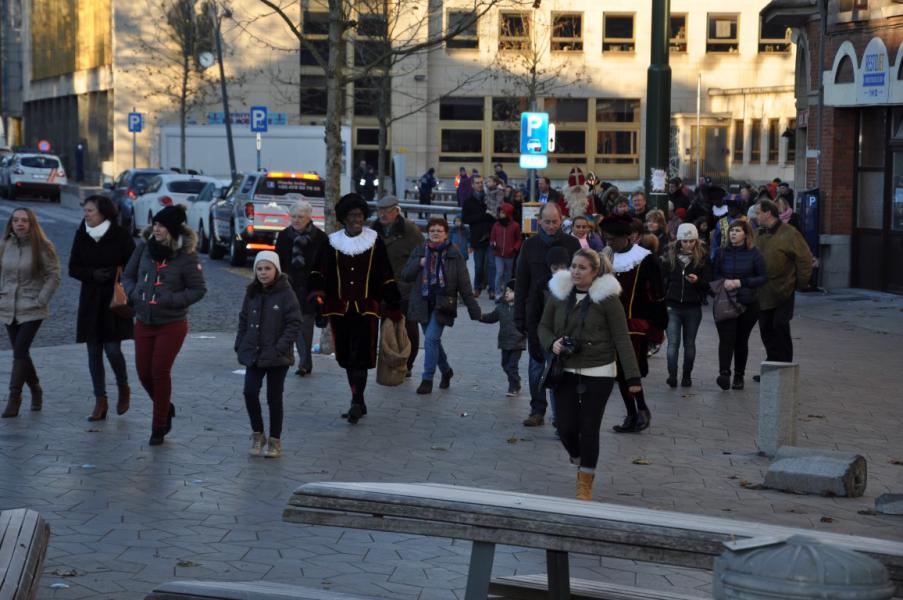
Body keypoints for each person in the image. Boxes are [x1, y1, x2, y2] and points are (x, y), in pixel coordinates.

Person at [539, 249, 641, 501]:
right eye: (573, 266)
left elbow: (621, 338)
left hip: (599, 371)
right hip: (565, 368)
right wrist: (552, 342)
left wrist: (633, 378)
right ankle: (577, 455)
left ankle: (585, 482)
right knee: (565, 427)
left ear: (595, 272)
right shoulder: (559, 293)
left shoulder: (607, 299)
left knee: (589, 427)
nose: (575, 271)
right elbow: (543, 326)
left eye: (582, 268)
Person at [309, 193, 401, 424]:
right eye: (351, 216)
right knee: (347, 358)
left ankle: (357, 402)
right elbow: (319, 274)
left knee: (361, 357)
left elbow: (385, 274)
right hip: (339, 310)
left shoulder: (374, 241)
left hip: (367, 309)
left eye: (359, 215)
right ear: (344, 218)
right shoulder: (331, 242)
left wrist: (394, 305)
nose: (356, 219)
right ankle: (358, 398)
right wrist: (318, 303)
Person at [122, 205, 207, 445]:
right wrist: (134, 293)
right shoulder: (143, 249)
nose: (156, 229)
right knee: (143, 373)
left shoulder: (186, 256)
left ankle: (159, 425)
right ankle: (166, 407)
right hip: (144, 320)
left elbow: (199, 289)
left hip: (172, 323)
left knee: (159, 372)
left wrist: (172, 299)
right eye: (155, 225)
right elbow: (127, 276)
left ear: (172, 229)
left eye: (161, 226)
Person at [68, 195, 136, 421]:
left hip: (113, 300)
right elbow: (73, 267)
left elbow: (133, 266)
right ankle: (101, 400)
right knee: (93, 353)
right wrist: (91, 274)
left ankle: (123, 387)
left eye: (90, 211)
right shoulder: (81, 234)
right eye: (85, 210)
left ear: (103, 213)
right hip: (90, 299)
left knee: (113, 350)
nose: (86, 214)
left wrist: (117, 275)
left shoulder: (121, 235)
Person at [514, 202, 580, 427]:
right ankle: (537, 409)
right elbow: (521, 281)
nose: (551, 226)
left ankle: (559, 413)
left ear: (561, 221)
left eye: (555, 221)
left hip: (564, 315)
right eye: (547, 221)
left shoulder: (572, 244)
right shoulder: (529, 245)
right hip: (537, 313)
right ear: (539, 221)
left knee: (560, 368)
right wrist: (519, 316)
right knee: (536, 366)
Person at [599, 214, 665, 434]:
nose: (608, 242)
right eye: (606, 238)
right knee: (618, 373)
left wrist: (656, 327)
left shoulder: (645, 259)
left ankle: (642, 409)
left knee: (631, 370)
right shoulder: (604, 258)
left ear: (625, 237)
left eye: (612, 238)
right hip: (610, 325)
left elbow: (656, 295)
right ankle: (632, 414)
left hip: (636, 325)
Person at [401, 218, 481, 394]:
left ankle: (427, 379)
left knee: (430, 340)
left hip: (443, 304)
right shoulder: (420, 251)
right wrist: (419, 263)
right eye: (432, 230)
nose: (435, 233)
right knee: (434, 342)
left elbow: (464, 283)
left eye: (439, 230)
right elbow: (405, 275)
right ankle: (446, 371)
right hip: (422, 303)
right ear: (428, 234)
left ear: (446, 234)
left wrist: (473, 308)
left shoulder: (454, 254)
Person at [235, 251, 302, 459]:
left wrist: (280, 347)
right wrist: (240, 344)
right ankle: (258, 433)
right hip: (254, 353)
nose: (263, 273)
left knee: (274, 398)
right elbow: (244, 319)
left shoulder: (286, 293)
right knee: (250, 392)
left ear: (276, 270)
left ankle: (275, 440)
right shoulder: (252, 292)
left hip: (276, 356)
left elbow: (294, 322)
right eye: (259, 269)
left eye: (267, 268)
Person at [0, 208, 61, 418]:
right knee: (21, 352)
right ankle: (36, 389)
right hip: (8, 307)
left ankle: (14, 397)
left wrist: (41, 299)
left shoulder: (42, 246)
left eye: (24, 221)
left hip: (32, 307)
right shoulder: (4, 244)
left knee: (19, 350)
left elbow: (53, 275)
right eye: (16, 220)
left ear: (31, 223)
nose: (19, 224)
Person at [371, 194, 424, 376]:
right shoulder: (373, 230)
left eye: (387, 211)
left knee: (408, 328)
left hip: (405, 288)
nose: (383, 215)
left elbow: (420, 257)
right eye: (380, 211)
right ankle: (389, 361)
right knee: (386, 327)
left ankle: (408, 364)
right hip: (382, 289)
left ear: (396, 211)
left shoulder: (410, 231)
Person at [755, 199, 813, 366]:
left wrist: (802, 282)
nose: (756, 216)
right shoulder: (759, 233)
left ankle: (785, 364)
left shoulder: (789, 233)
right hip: (763, 291)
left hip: (783, 289)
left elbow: (805, 259)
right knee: (765, 329)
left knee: (780, 325)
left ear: (768, 213)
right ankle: (772, 364)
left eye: (758, 213)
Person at [275, 199, 328, 377]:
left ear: (309, 218)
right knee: (288, 325)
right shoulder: (283, 236)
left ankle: (304, 364)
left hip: (310, 290)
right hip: (287, 288)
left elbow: (325, 266)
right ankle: (288, 358)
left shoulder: (320, 238)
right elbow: (278, 263)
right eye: (294, 216)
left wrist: (321, 290)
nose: (296, 220)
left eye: (301, 217)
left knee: (305, 326)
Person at [713, 219, 767, 390]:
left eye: (737, 230)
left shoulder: (754, 253)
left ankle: (738, 375)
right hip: (726, 301)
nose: (733, 233)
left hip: (748, 303)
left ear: (746, 234)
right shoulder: (722, 253)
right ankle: (724, 373)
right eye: (731, 231)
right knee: (726, 338)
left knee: (741, 340)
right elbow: (714, 274)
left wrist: (741, 282)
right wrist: (723, 282)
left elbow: (763, 277)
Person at [661, 224, 710, 388]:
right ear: (679, 240)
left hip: (693, 306)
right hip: (672, 305)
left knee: (689, 344)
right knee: (673, 343)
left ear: (696, 241)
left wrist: (698, 282)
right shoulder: (669, 257)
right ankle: (672, 375)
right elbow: (663, 281)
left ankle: (687, 375)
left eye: (691, 241)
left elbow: (708, 285)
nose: (688, 244)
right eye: (685, 241)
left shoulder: (703, 258)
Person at [479, 279, 525, 396]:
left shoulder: (522, 309)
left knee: (512, 366)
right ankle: (516, 380)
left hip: (517, 343)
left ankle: (513, 387)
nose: (507, 293)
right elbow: (491, 318)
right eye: (506, 290)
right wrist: (480, 316)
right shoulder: (501, 308)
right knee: (505, 364)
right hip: (504, 342)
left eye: (511, 291)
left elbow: (529, 323)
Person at [461, 181, 495, 299]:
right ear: (472, 185)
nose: (480, 185)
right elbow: (465, 219)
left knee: (491, 265)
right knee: (478, 265)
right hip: (477, 237)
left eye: (481, 183)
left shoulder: (489, 199)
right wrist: (482, 216)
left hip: (490, 236)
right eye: (477, 183)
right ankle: (477, 288)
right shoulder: (468, 201)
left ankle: (492, 289)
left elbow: (494, 215)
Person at [490, 203, 521, 298]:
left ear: (508, 213)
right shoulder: (496, 225)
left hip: (510, 255)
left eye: (503, 212)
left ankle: (505, 294)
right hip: (498, 254)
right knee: (499, 273)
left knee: (508, 275)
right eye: (500, 212)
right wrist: (493, 244)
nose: (500, 214)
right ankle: (497, 293)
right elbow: (492, 238)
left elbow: (519, 239)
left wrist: (514, 248)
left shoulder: (515, 226)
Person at [710, 193, 746, 260]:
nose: (730, 208)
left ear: (739, 207)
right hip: (724, 259)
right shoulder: (721, 222)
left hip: (743, 259)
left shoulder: (747, 222)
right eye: (729, 205)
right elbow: (715, 244)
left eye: (733, 205)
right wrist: (713, 259)